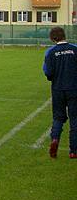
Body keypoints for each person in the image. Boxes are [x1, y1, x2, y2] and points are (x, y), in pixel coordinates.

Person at [42, 26, 77, 159]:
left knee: (58, 117)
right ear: (64, 36)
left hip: (58, 89)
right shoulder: (75, 49)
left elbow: (48, 72)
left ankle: (55, 139)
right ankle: (73, 151)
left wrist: (53, 77)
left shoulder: (50, 52)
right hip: (74, 88)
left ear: (52, 38)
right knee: (75, 119)